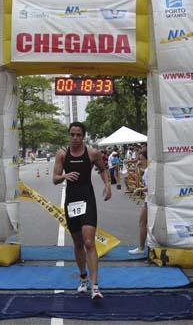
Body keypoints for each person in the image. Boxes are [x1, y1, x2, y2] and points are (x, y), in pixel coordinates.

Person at [53, 122, 111, 299]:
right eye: (72, 134)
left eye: (78, 135)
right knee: (78, 243)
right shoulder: (62, 154)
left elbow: (103, 169)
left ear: (83, 136)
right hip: (72, 202)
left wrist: (107, 185)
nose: (75, 138)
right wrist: (64, 175)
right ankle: (83, 278)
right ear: (68, 135)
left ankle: (95, 286)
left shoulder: (92, 153)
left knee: (88, 242)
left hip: (87, 200)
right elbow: (55, 179)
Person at [129, 148, 149, 255]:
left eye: (141, 159)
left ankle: (141, 248)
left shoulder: (148, 171)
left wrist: (139, 189)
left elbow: (150, 187)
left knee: (142, 222)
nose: (139, 161)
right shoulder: (147, 170)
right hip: (149, 200)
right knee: (144, 223)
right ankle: (143, 247)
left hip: (149, 200)